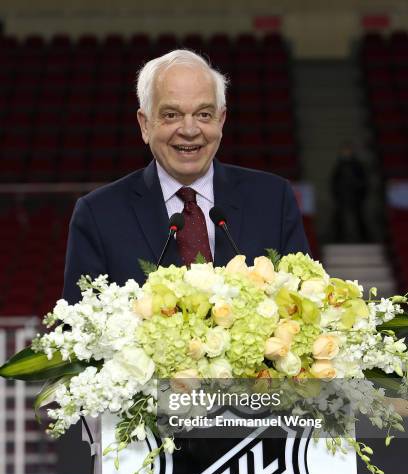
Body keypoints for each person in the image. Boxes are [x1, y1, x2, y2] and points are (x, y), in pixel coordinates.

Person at [63, 49, 309, 305]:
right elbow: (77, 329)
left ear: (221, 121)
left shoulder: (273, 199)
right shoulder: (98, 214)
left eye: (204, 114)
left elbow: (303, 308)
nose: (190, 130)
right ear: (145, 125)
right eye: (171, 115)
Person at [330, 143, 369, 243]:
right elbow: (334, 182)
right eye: (344, 150)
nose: (346, 153)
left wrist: (361, 195)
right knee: (339, 218)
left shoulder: (357, 165)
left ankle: (364, 239)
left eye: (348, 150)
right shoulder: (339, 166)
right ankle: (338, 239)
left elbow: (364, 182)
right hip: (342, 196)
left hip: (356, 196)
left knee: (359, 217)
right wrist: (337, 195)